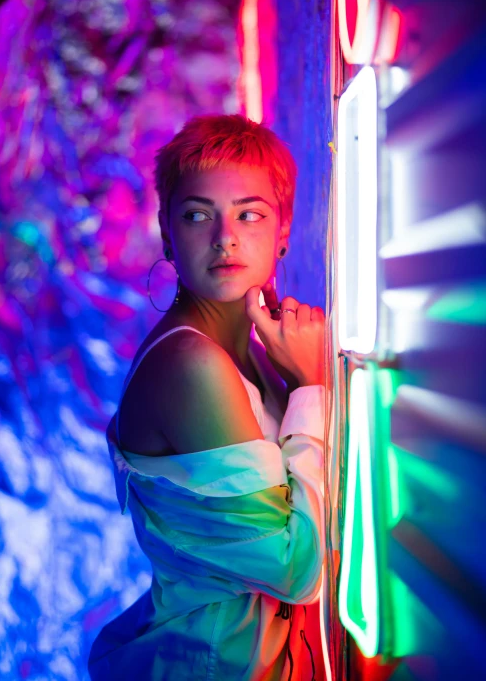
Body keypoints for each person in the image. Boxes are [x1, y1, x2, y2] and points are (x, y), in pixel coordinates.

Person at [88, 114, 327, 680]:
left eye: (250, 214)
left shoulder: (254, 350)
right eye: (199, 215)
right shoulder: (190, 364)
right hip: (211, 664)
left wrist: (296, 378)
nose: (226, 238)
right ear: (168, 233)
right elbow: (297, 570)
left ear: (283, 228)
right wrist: (311, 389)